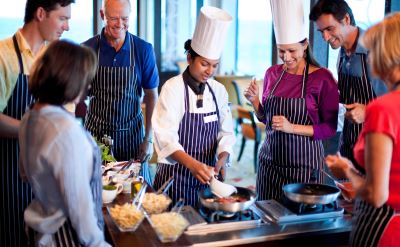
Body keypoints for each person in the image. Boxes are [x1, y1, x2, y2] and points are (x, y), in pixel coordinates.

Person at [244, 0, 339, 201]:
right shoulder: (272, 73)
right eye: (281, 51)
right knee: (267, 221)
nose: (286, 58)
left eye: (291, 51)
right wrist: (255, 103)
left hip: (303, 170)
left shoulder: (323, 78)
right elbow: (267, 119)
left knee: (299, 227)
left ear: (304, 45)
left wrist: (292, 127)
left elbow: (329, 128)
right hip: (268, 165)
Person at [19, 40, 111, 247]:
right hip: (68, 237)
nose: (88, 87)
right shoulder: (65, 132)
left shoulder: (30, 117)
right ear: (68, 79)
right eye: (85, 80)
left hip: (41, 229)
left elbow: (25, 173)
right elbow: (80, 208)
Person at [0, 1, 73, 246]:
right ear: (41, 13)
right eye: (62, 18)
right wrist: (34, 129)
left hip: (43, 179)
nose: (67, 26)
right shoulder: (4, 56)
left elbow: (63, 112)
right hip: (7, 175)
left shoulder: (52, 58)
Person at [325, 12, 400, 247]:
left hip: (381, 225)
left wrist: (347, 170)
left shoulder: (383, 109)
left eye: (372, 51)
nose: (368, 58)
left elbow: (377, 195)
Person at [152, 6, 235, 207]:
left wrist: (223, 156)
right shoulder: (173, 88)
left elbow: (226, 132)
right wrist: (193, 165)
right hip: (176, 180)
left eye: (214, 65)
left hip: (208, 182)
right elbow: (165, 139)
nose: (210, 71)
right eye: (205, 64)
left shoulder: (218, 91)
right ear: (190, 58)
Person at [83, 0, 159, 184]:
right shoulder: (87, 49)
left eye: (124, 18)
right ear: (103, 16)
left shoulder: (143, 50)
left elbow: (152, 96)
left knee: (135, 192)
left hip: (132, 136)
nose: (120, 24)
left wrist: (148, 140)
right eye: (114, 18)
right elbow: (76, 95)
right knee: (98, 191)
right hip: (97, 136)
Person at [309, 0, 388, 171]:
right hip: (349, 146)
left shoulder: (377, 48)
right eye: (321, 32)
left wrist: (367, 111)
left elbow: (394, 103)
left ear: (346, 19)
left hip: (376, 149)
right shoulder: (343, 52)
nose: (325, 38)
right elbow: (351, 97)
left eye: (329, 29)